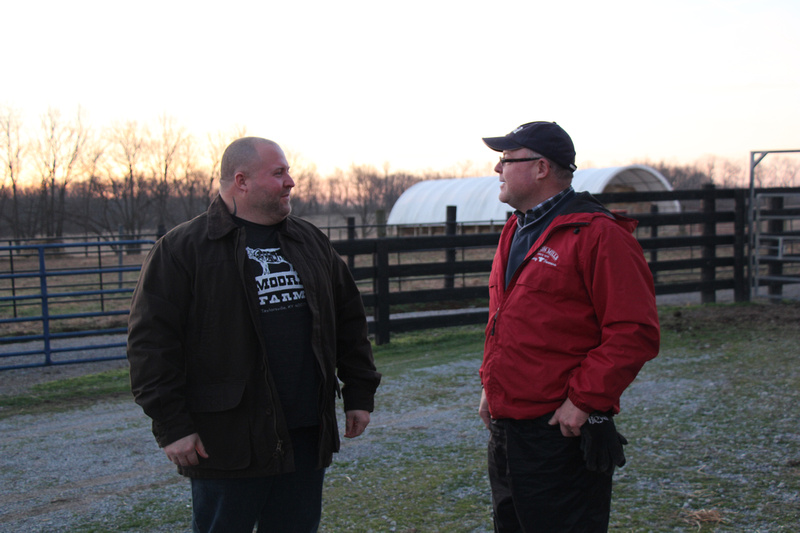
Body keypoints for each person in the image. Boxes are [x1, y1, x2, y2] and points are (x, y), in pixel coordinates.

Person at [127, 136, 381, 533]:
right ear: (241, 181)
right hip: (228, 440)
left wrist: (359, 393)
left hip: (304, 434)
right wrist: (172, 425)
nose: (291, 181)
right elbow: (151, 346)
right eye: (279, 172)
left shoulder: (310, 241)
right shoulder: (183, 250)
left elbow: (349, 319)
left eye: (288, 171)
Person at [477, 121, 660, 532]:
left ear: (541, 168)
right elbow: (508, 320)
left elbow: (635, 330)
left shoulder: (598, 234)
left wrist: (583, 401)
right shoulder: (517, 228)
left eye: (506, 159)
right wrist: (491, 387)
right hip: (509, 430)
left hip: (560, 431)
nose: (497, 169)